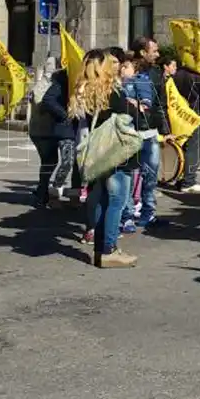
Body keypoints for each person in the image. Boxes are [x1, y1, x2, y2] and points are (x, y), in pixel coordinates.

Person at [70, 49, 139, 268]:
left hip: (99, 153)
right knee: (117, 200)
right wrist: (133, 106)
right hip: (115, 151)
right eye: (111, 63)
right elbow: (130, 115)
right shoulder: (110, 91)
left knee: (101, 199)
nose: (116, 66)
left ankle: (100, 249)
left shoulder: (84, 89)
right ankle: (109, 249)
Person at [128, 37, 172, 228]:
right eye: (154, 50)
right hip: (129, 130)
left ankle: (148, 213)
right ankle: (127, 215)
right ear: (142, 52)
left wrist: (165, 130)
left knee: (151, 174)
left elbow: (161, 102)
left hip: (150, 130)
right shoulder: (127, 70)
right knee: (129, 174)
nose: (157, 54)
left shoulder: (156, 73)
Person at [29, 67, 78, 208]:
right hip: (46, 130)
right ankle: (47, 193)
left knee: (60, 162)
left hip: (54, 129)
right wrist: (65, 115)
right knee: (52, 162)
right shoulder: (54, 81)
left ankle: (44, 193)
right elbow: (43, 100)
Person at [172, 62, 200, 193]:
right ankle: (189, 181)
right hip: (197, 118)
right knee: (194, 150)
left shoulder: (176, 76)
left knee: (182, 148)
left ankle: (180, 177)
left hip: (179, 117)